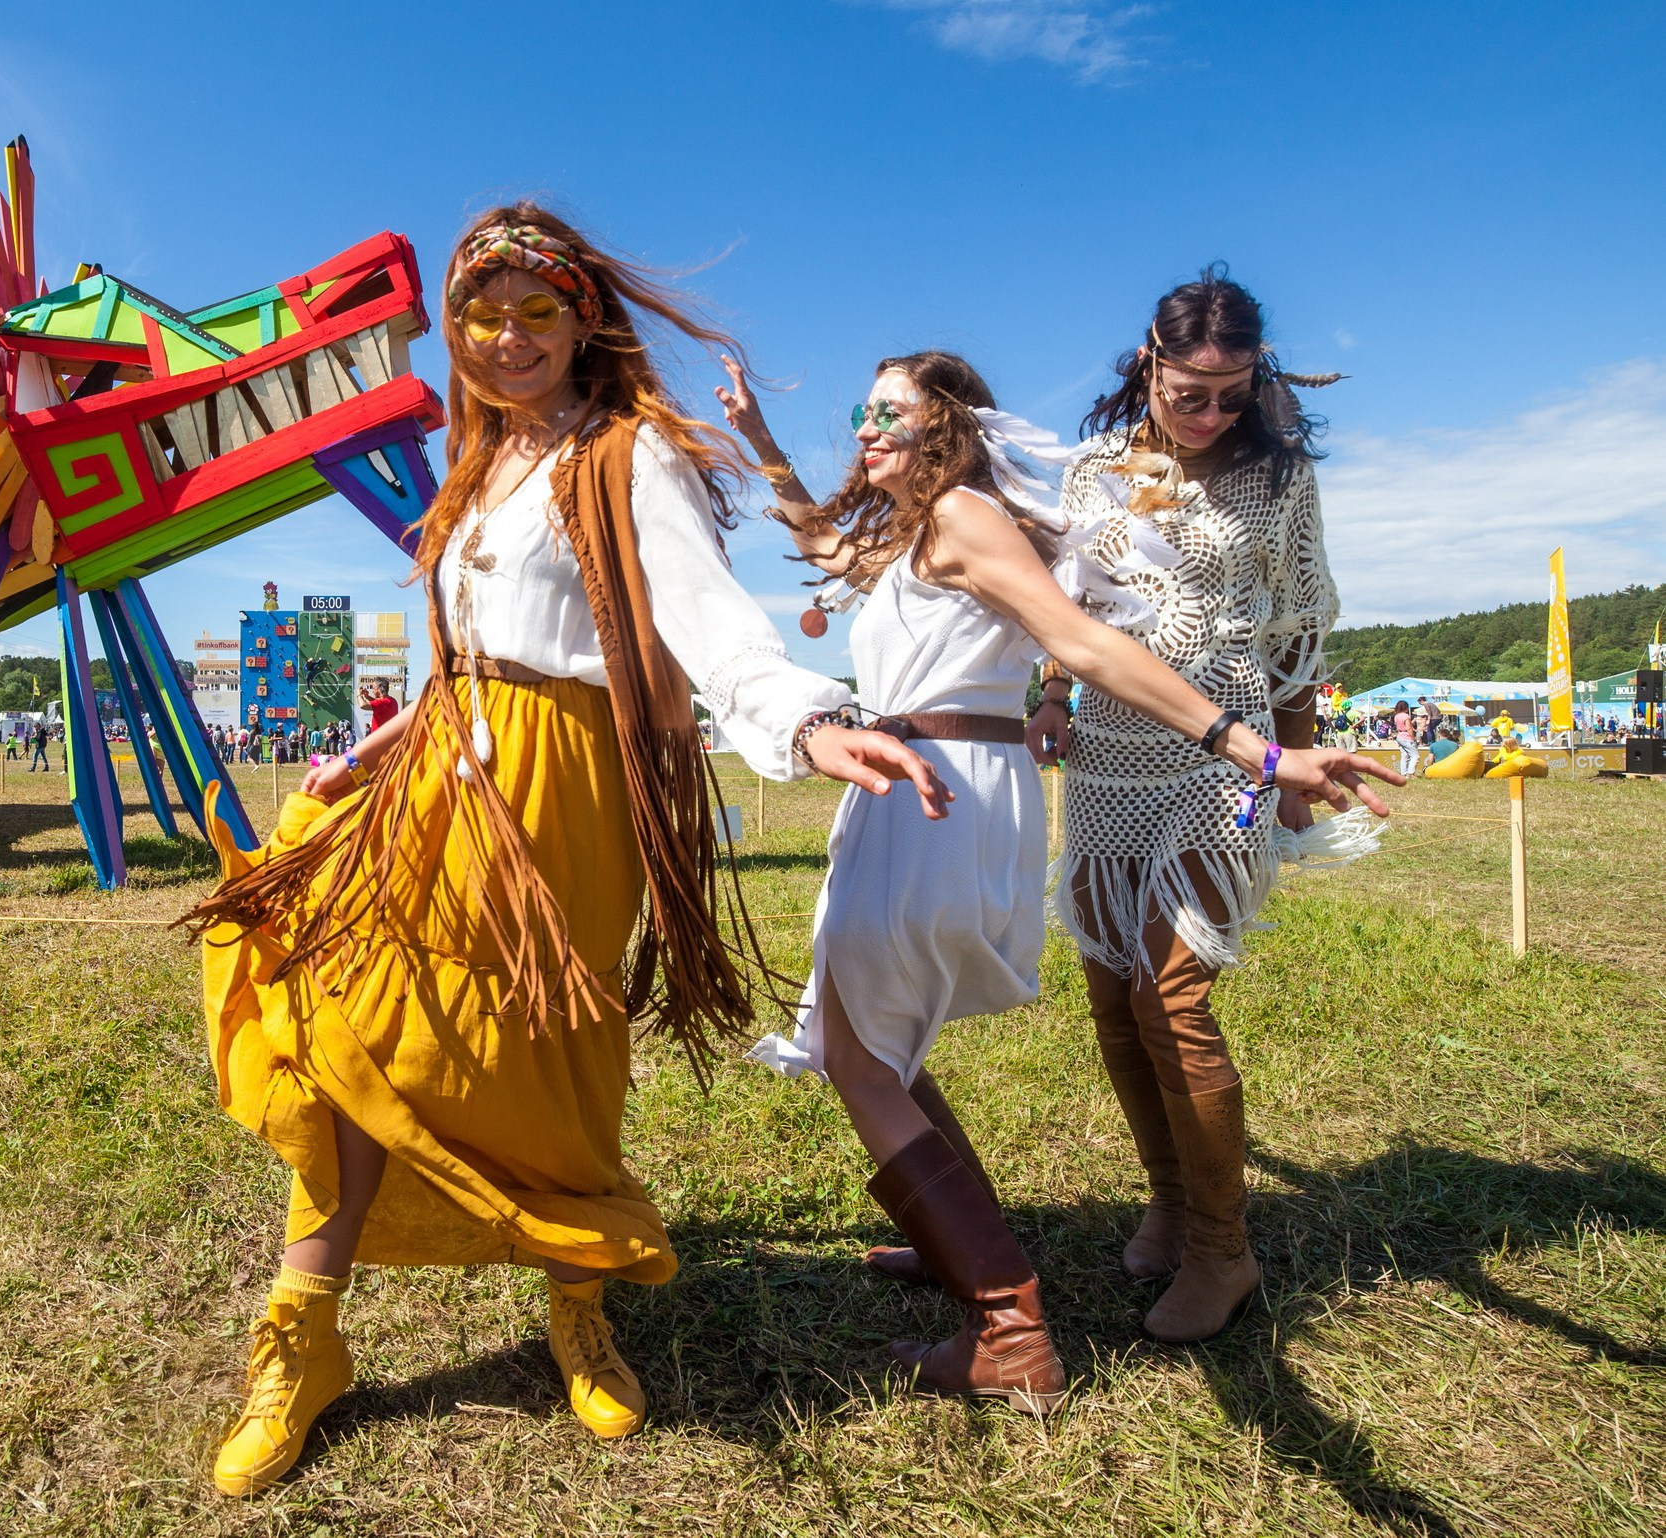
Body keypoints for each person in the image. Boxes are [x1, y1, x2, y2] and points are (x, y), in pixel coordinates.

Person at [185, 205, 946, 1497]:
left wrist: (810, 719)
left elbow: (713, 624)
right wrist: (374, 751)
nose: (510, 335)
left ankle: (578, 1300)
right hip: (440, 784)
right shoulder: (474, 472)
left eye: (538, 309)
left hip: (570, 795)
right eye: (485, 313)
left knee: (561, 1057)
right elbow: (461, 659)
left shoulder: (628, 453)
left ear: (583, 318)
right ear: (458, 330)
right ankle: (302, 1336)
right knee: (359, 1027)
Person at [731, 349, 1393, 1413]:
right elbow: (818, 537)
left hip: (937, 794)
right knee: (873, 1043)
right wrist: (760, 439)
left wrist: (1259, 753)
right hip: (921, 787)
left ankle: (1004, 1318)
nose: (863, 427)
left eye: (887, 412)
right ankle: (959, 1247)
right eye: (860, 410)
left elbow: (1081, 642)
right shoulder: (915, 530)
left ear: (948, 426)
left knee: (857, 1054)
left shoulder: (965, 520)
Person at [1029, 268, 1372, 1344]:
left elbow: (1296, 637)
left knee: (1171, 995)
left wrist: (1294, 773)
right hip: (1107, 753)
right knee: (1110, 991)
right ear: (1149, 359)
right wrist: (1047, 694)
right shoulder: (1089, 471)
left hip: (1228, 758)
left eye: (1233, 391)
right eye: (1193, 390)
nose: (1213, 412)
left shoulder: (1276, 483)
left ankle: (1225, 1250)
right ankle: (1170, 1200)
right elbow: (1063, 607)